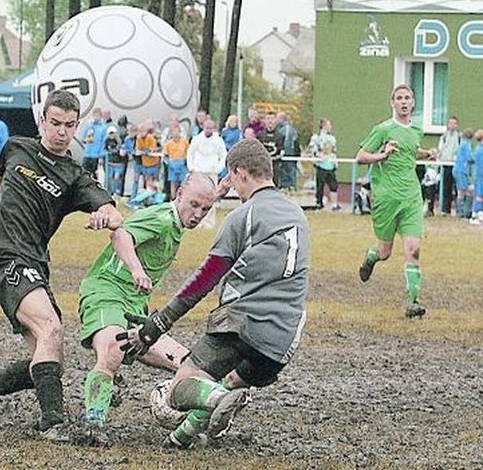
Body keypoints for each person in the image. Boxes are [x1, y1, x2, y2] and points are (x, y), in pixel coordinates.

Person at [117, 139, 310, 449]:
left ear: (241, 172)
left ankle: (219, 398)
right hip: (284, 339)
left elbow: (203, 281)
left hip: (242, 323)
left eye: (232, 179)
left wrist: (158, 324)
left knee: (183, 384)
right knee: (231, 380)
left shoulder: (243, 216)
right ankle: (181, 438)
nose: (233, 187)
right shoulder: (297, 215)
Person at [0, 89, 123, 435]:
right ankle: (53, 424)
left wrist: (105, 215)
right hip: (3, 254)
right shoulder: (16, 146)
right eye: (56, 123)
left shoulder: (74, 177)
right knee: (51, 327)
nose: (62, 131)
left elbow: (108, 207)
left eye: (70, 125)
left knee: (49, 360)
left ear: (77, 126)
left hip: (34, 262)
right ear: (42, 120)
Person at [78, 172, 218, 430]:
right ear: (179, 195)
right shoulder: (162, 218)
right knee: (113, 350)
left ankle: (206, 420)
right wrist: (136, 270)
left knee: (189, 363)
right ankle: (92, 424)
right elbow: (120, 235)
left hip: (135, 307)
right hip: (106, 292)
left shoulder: (177, 224)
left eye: (206, 209)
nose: (198, 214)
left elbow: (205, 194)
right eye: (194, 205)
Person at [355, 84, 438, 318]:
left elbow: (410, 150)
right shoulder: (382, 129)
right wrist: (383, 154)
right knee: (385, 251)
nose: (403, 102)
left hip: (411, 196)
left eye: (407, 98)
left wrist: (426, 153)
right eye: (399, 98)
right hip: (386, 198)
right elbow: (361, 157)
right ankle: (371, 258)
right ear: (392, 103)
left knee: (414, 249)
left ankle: (412, 301)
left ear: (413, 103)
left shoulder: (417, 130)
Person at [187, 119, 227, 228]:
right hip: (199, 172)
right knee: (197, 197)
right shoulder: (197, 139)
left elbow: (223, 155)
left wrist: (218, 169)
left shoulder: (218, 140)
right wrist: (192, 168)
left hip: (211, 173)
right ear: (203, 127)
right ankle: (197, 220)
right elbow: (190, 154)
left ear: (213, 128)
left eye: (210, 128)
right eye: (206, 128)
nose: (208, 130)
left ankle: (209, 222)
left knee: (211, 197)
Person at [309, 119, 341, 211]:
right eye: (329, 125)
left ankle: (334, 204)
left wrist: (335, 161)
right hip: (321, 164)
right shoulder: (316, 137)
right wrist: (318, 157)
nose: (331, 127)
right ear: (324, 126)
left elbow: (334, 151)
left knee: (333, 184)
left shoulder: (332, 139)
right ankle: (319, 203)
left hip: (330, 165)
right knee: (320, 185)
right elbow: (312, 149)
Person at [437, 116, 460, 216]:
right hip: (445, 165)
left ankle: (459, 210)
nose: (452, 125)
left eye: (454, 123)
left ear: (457, 125)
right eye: (450, 123)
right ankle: (445, 210)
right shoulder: (444, 136)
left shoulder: (459, 137)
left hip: (455, 165)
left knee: (457, 188)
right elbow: (440, 149)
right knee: (446, 187)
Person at [452, 128, 475, 219]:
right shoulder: (466, 144)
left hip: (459, 170)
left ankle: (465, 212)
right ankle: (461, 212)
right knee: (462, 191)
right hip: (461, 171)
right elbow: (469, 157)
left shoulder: (462, 143)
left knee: (466, 190)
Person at [162, 123, 189, 200]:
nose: (176, 134)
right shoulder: (168, 143)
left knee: (183, 182)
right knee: (173, 183)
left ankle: (183, 198)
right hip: (172, 164)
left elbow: (188, 153)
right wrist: (169, 163)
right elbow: (165, 156)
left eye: (177, 132)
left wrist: (186, 162)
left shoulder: (185, 142)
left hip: (182, 164)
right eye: (174, 132)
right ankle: (173, 199)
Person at [79, 107, 107, 179]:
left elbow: (103, 143)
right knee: (84, 173)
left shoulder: (103, 127)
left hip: (96, 155)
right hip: (87, 153)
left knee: (94, 174)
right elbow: (82, 137)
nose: (96, 117)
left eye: (97, 116)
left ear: (100, 116)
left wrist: (101, 156)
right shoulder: (88, 125)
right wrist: (89, 125)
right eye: (94, 115)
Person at [276, 112, 300, 191]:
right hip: (292, 154)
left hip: (287, 154)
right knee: (290, 171)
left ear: (281, 119)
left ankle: (289, 187)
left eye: (277, 118)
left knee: (287, 171)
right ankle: (291, 187)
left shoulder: (283, 130)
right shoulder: (292, 129)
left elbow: (286, 143)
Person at [104, 125, 127, 198]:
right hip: (110, 163)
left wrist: (122, 152)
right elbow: (105, 149)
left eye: (113, 133)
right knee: (110, 178)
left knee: (117, 178)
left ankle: (118, 193)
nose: (112, 135)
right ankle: (112, 193)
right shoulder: (106, 141)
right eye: (110, 133)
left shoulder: (119, 141)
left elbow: (122, 150)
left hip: (119, 163)